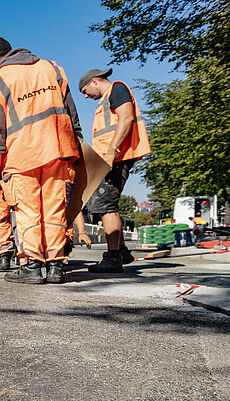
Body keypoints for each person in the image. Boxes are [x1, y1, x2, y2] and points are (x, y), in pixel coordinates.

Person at [0, 37, 80, 284]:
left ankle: (32, 266)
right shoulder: (51, 68)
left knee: (27, 211)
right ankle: (56, 266)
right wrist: (76, 140)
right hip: (58, 148)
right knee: (55, 209)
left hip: (21, 154)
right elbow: (70, 110)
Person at [80, 68, 151, 273]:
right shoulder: (107, 98)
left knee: (104, 203)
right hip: (112, 158)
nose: (86, 96)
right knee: (108, 201)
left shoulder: (116, 90)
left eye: (85, 90)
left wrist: (111, 151)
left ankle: (113, 258)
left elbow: (126, 118)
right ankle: (121, 251)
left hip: (116, 158)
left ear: (94, 81)